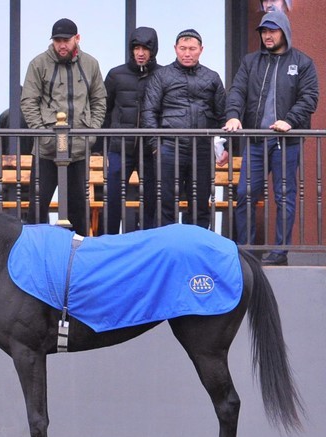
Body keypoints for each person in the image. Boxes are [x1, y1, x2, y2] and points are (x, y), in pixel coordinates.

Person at [224, 10, 319, 266]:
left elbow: (309, 98)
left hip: (285, 143)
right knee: (244, 193)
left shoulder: (303, 62)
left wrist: (289, 120)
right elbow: (237, 92)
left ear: (284, 32)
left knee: (284, 196)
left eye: (272, 30)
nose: (267, 35)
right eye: (264, 31)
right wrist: (233, 115)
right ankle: (246, 249)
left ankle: (279, 252)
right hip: (255, 141)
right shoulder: (250, 62)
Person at [21, 17, 106, 236]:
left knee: (79, 209)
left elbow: (99, 100)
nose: (61, 45)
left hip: (78, 150)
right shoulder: (38, 63)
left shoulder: (91, 64)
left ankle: (78, 256)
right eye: (57, 40)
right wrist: (43, 136)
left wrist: (92, 133)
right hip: (46, 152)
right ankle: (36, 252)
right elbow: (28, 102)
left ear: (77, 39)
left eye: (66, 40)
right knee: (37, 208)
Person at [141, 28, 226, 229]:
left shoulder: (212, 77)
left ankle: (195, 247)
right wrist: (156, 147)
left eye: (192, 49)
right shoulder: (161, 76)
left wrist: (226, 146)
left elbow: (223, 114)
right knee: (166, 202)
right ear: (175, 49)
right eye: (183, 48)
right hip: (169, 147)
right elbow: (149, 112)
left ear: (201, 50)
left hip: (203, 149)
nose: (187, 53)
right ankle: (167, 248)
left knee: (200, 203)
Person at [99, 27, 162, 234]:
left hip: (150, 149)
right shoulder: (116, 75)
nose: (141, 52)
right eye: (136, 48)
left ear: (154, 50)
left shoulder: (163, 75)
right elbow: (104, 112)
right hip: (120, 147)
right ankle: (105, 242)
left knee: (151, 199)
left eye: (145, 48)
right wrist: (104, 147)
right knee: (112, 198)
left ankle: (147, 243)